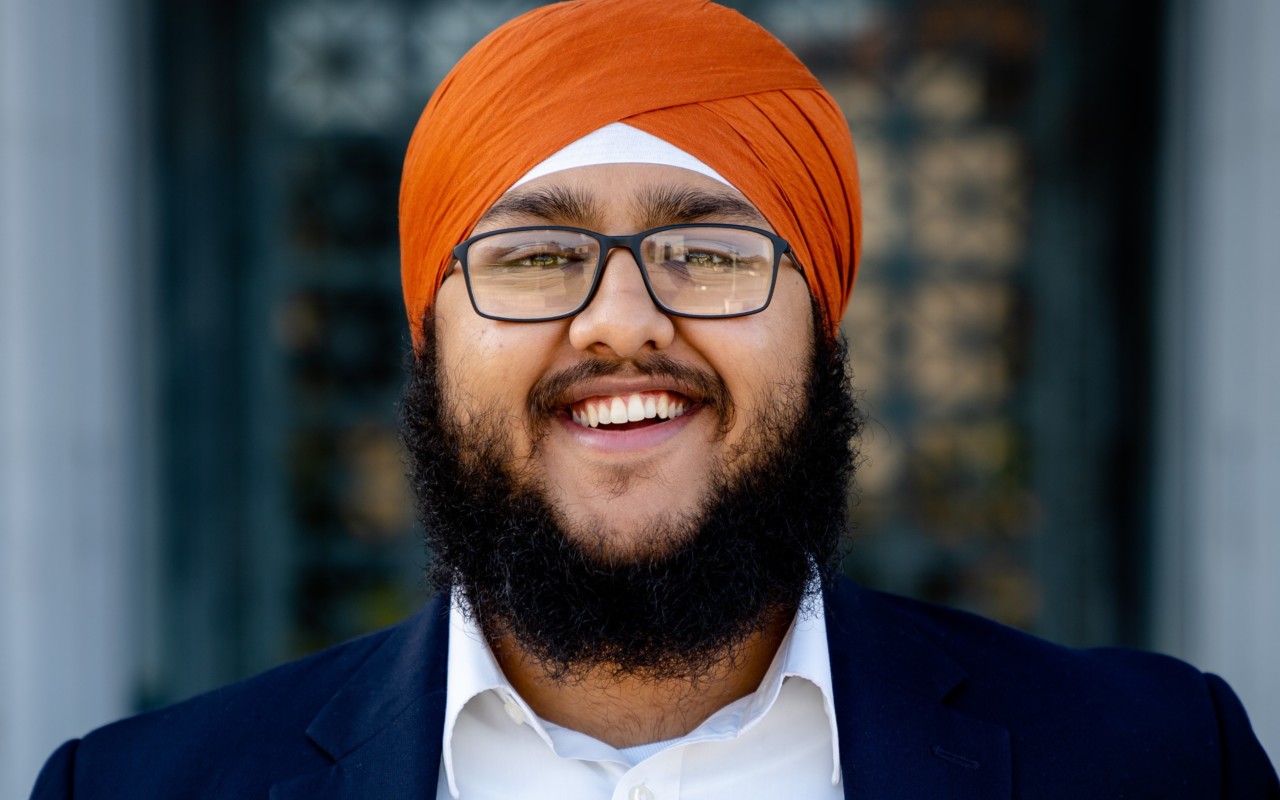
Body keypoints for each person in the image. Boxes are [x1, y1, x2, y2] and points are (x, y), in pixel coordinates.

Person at [31, 0, 1278, 797]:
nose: (621, 319)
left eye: (711, 252)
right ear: (428, 338)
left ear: (821, 322)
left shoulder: (1158, 761)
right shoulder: (138, 788)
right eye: (531, 257)